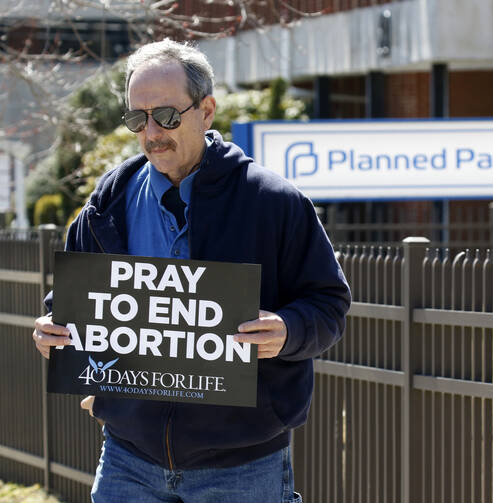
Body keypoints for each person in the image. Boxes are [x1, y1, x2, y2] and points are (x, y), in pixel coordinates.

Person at [31, 39, 350, 503]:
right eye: (137, 119)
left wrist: (288, 329)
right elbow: (72, 302)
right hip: (128, 460)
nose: (152, 133)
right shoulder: (109, 202)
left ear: (207, 111)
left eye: (166, 115)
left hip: (242, 467)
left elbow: (329, 304)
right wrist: (53, 330)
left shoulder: (273, 203)